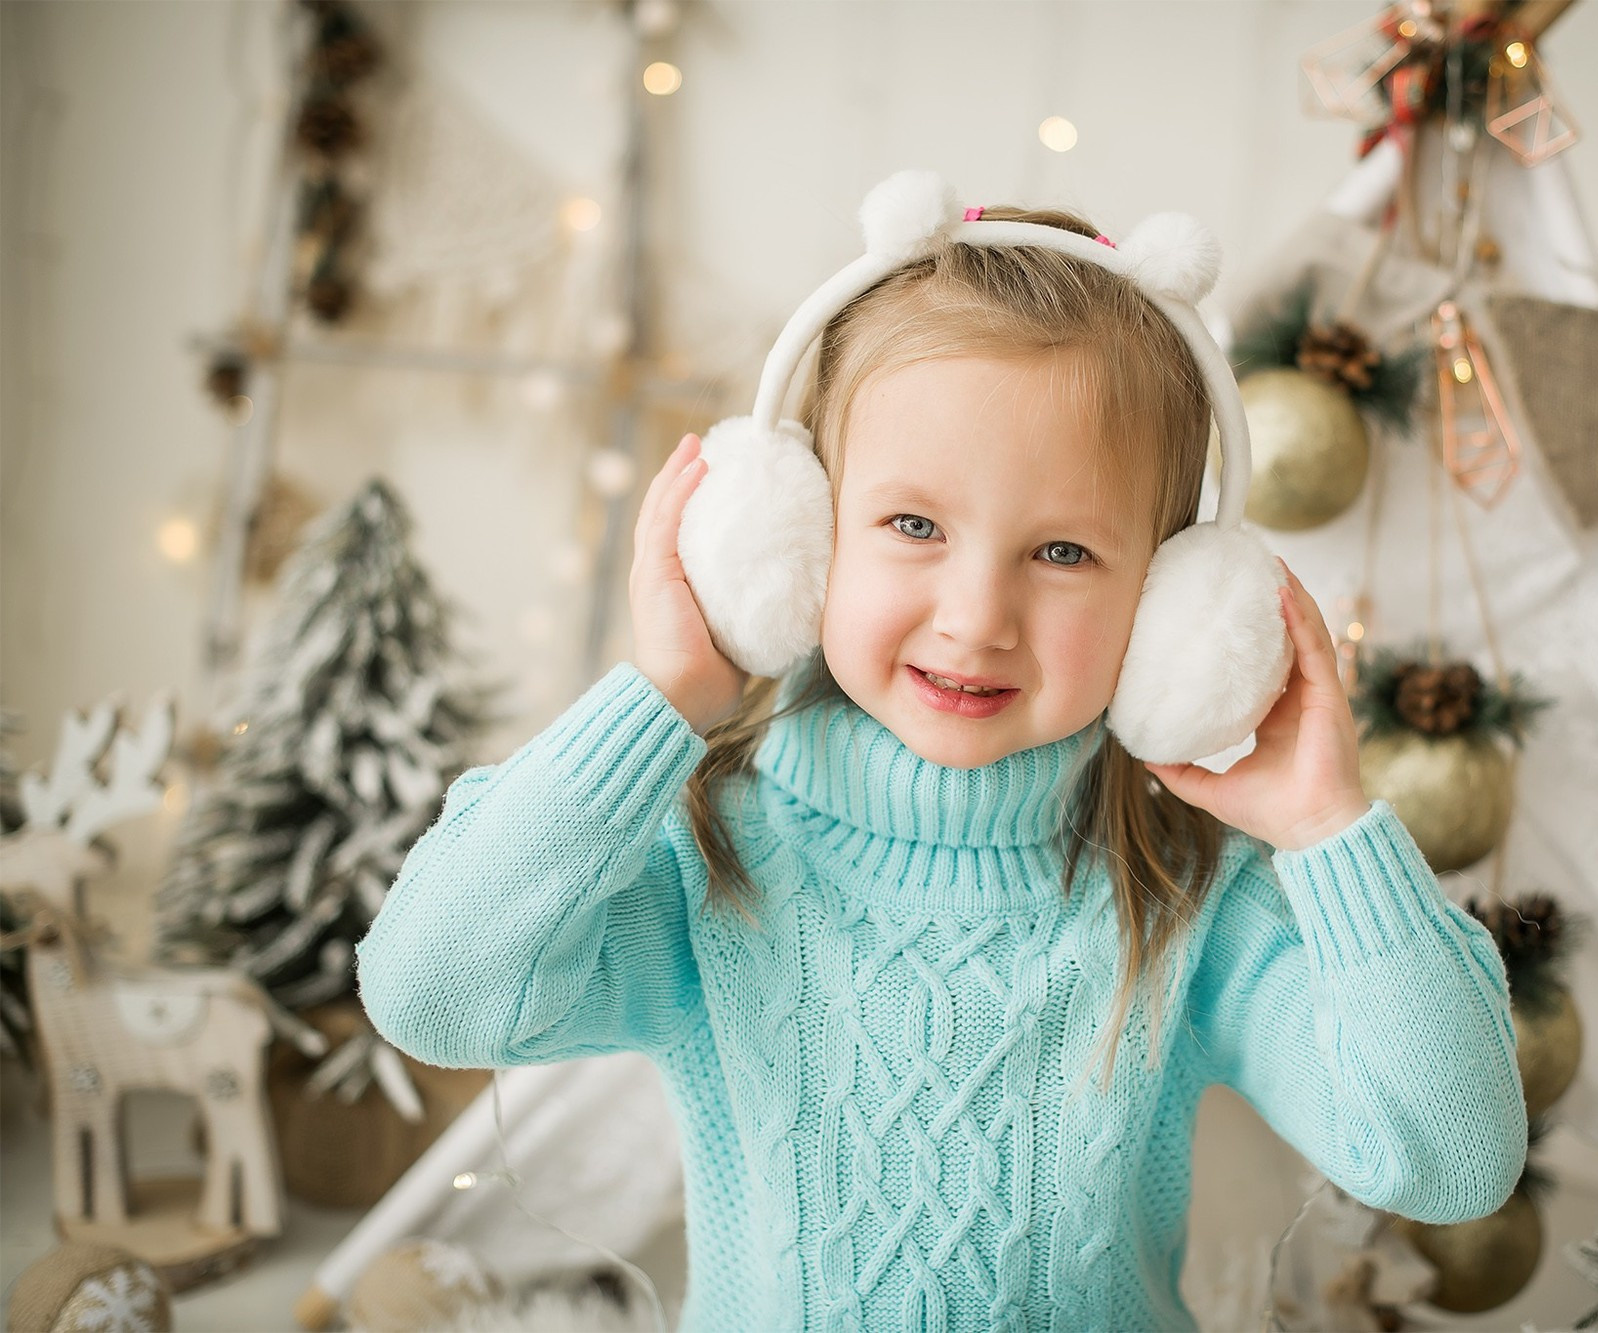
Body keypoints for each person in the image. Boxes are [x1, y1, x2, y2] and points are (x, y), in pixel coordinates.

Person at [356, 176, 1528, 1332]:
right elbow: (432, 992)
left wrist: (1330, 832)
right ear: (799, 535)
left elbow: (1450, 1161)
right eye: (913, 525)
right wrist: (662, 698)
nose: (976, 616)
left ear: (1173, 599)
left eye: (1063, 550)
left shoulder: (1186, 889)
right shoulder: (705, 851)